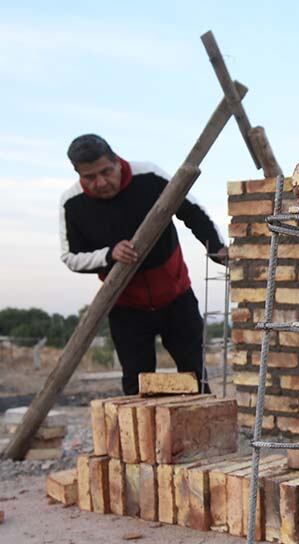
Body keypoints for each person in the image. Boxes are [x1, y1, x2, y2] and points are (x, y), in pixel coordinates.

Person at [59, 134, 226, 395]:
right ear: (78, 174)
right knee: (137, 384)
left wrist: (216, 248)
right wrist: (108, 255)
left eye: (106, 171)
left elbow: (192, 211)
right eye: (90, 177)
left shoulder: (148, 175)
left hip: (176, 297)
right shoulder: (72, 203)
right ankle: (143, 435)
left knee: (194, 373)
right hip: (126, 306)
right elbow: (71, 256)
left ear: (116, 160)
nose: (101, 182)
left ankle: (205, 431)